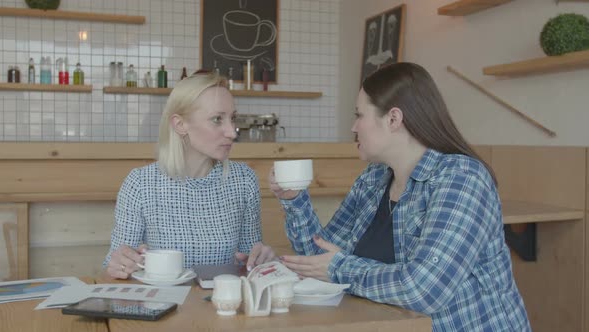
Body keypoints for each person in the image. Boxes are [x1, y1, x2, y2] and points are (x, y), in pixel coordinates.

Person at [271, 63, 531, 331]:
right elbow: (320, 259)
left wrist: (341, 268)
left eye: (359, 115)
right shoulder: (373, 179)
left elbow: (425, 289)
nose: (353, 126)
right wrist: (294, 200)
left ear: (393, 119)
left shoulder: (461, 178)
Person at [104, 72, 275, 279]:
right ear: (180, 124)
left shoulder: (244, 180)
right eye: (217, 119)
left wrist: (260, 261)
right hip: (162, 306)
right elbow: (114, 265)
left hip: (223, 306)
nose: (232, 132)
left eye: (232, 118)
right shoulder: (140, 184)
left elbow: (248, 261)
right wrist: (119, 264)